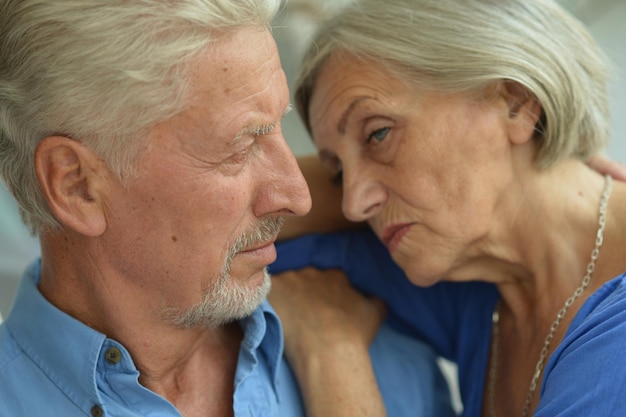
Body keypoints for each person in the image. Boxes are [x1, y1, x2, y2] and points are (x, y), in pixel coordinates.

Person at [0, 1, 456, 416]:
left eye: (279, 126)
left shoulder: (380, 344)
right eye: (240, 147)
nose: (298, 196)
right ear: (77, 186)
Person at [267, 0, 626, 416]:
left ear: (516, 101)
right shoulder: (482, 281)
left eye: (378, 133)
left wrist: (333, 353)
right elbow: (232, 219)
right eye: (339, 173)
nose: (353, 204)